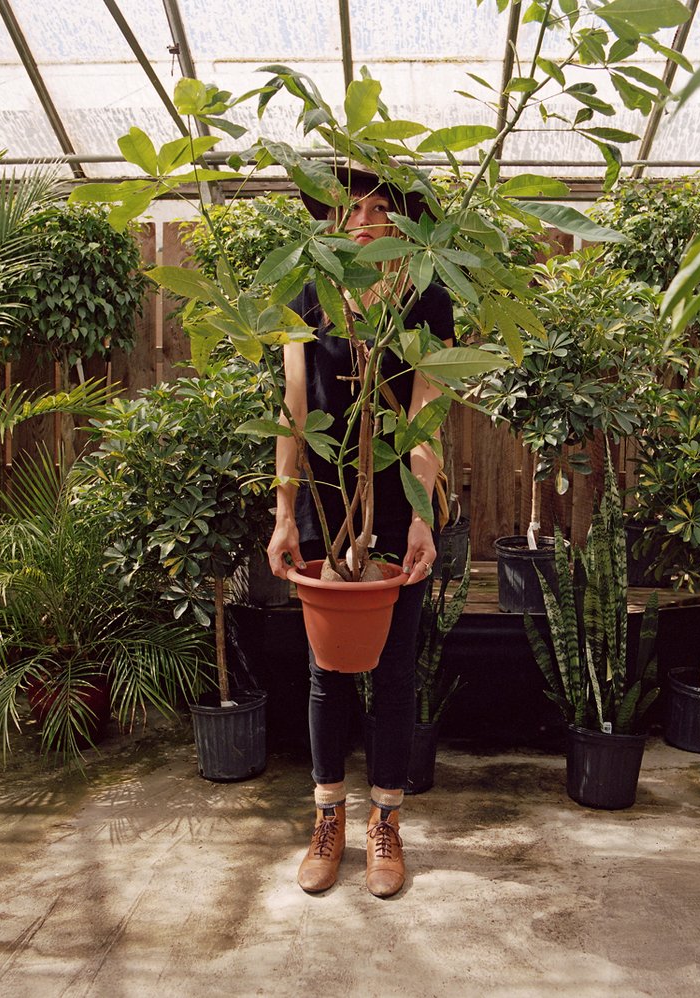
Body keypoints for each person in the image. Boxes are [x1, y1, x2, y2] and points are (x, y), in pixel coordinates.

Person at [266, 163, 454, 897]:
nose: (365, 220)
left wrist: (422, 513)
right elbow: (293, 403)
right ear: (332, 217)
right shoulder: (305, 288)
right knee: (327, 669)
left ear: (404, 221)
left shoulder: (425, 295)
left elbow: (425, 411)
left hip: (394, 498)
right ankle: (327, 818)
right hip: (325, 495)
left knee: (396, 668)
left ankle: (386, 823)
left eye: (381, 207)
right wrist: (284, 512)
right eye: (352, 207)